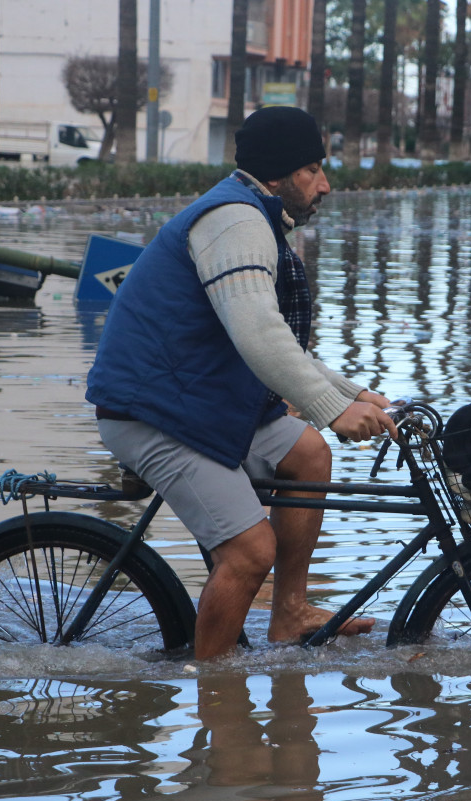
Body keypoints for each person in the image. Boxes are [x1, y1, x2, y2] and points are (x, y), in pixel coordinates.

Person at [85, 106, 396, 660]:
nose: (325, 185)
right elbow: (257, 333)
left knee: (309, 455)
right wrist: (331, 405)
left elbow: (274, 340)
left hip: (198, 400)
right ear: (276, 176)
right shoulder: (237, 221)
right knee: (252, 550)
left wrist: (349, 393)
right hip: (151, 411)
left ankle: (290, 612)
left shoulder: (256, 215)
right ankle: (216, 692)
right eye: (311, 170)